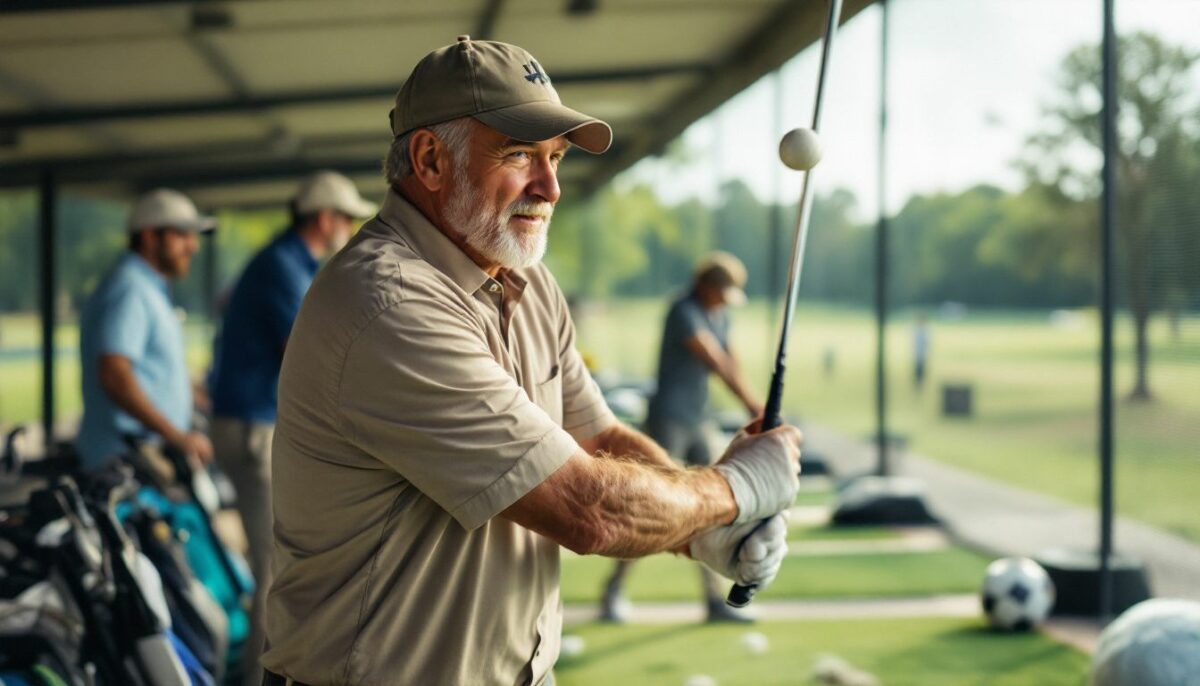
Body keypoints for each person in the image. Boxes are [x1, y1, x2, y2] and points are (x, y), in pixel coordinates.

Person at [261, 36, 802, 686]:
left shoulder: (526, 277)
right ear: (431, 159)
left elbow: (598, 438)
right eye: (519, 154)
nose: (549, 186)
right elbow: (586, 510)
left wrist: (703, 534)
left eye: (555, 157)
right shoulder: (386, 302)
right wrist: (733, 491)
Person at [208, 170, 376, 686]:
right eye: (345, 218)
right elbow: (315, 357)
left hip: (250, 422)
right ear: (324, 218)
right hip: (252, 428)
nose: (348, 228)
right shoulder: (284, 267)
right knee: (277, 569)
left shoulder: (287, 262)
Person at [600, 252, 766, 624]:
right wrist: (754, 406)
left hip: (697, 419)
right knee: (649, 509)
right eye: (722, 294)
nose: (725, 302)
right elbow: (716, 361)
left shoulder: (719, 313)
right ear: (705, 286)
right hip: (668, 421)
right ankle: (613, 592)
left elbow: (731, 360)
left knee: (707, 509)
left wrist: (756, 405)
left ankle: (712, 601)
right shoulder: (683, 310)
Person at [77, 188, 215, 473]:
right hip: (125, 459)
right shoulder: (131, 288)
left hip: (138, 455)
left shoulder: (146, 286)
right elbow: (114, 374)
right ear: (150, 237)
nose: (193, 246)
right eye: (182, 235)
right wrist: (175, 435)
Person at [913, 313, 930, 390]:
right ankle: (918, 383)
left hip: (922, 354)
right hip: (918, 354)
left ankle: (920, 383)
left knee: (921, 370)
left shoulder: (925, 331)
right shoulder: (918, 330)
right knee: (918, 370)